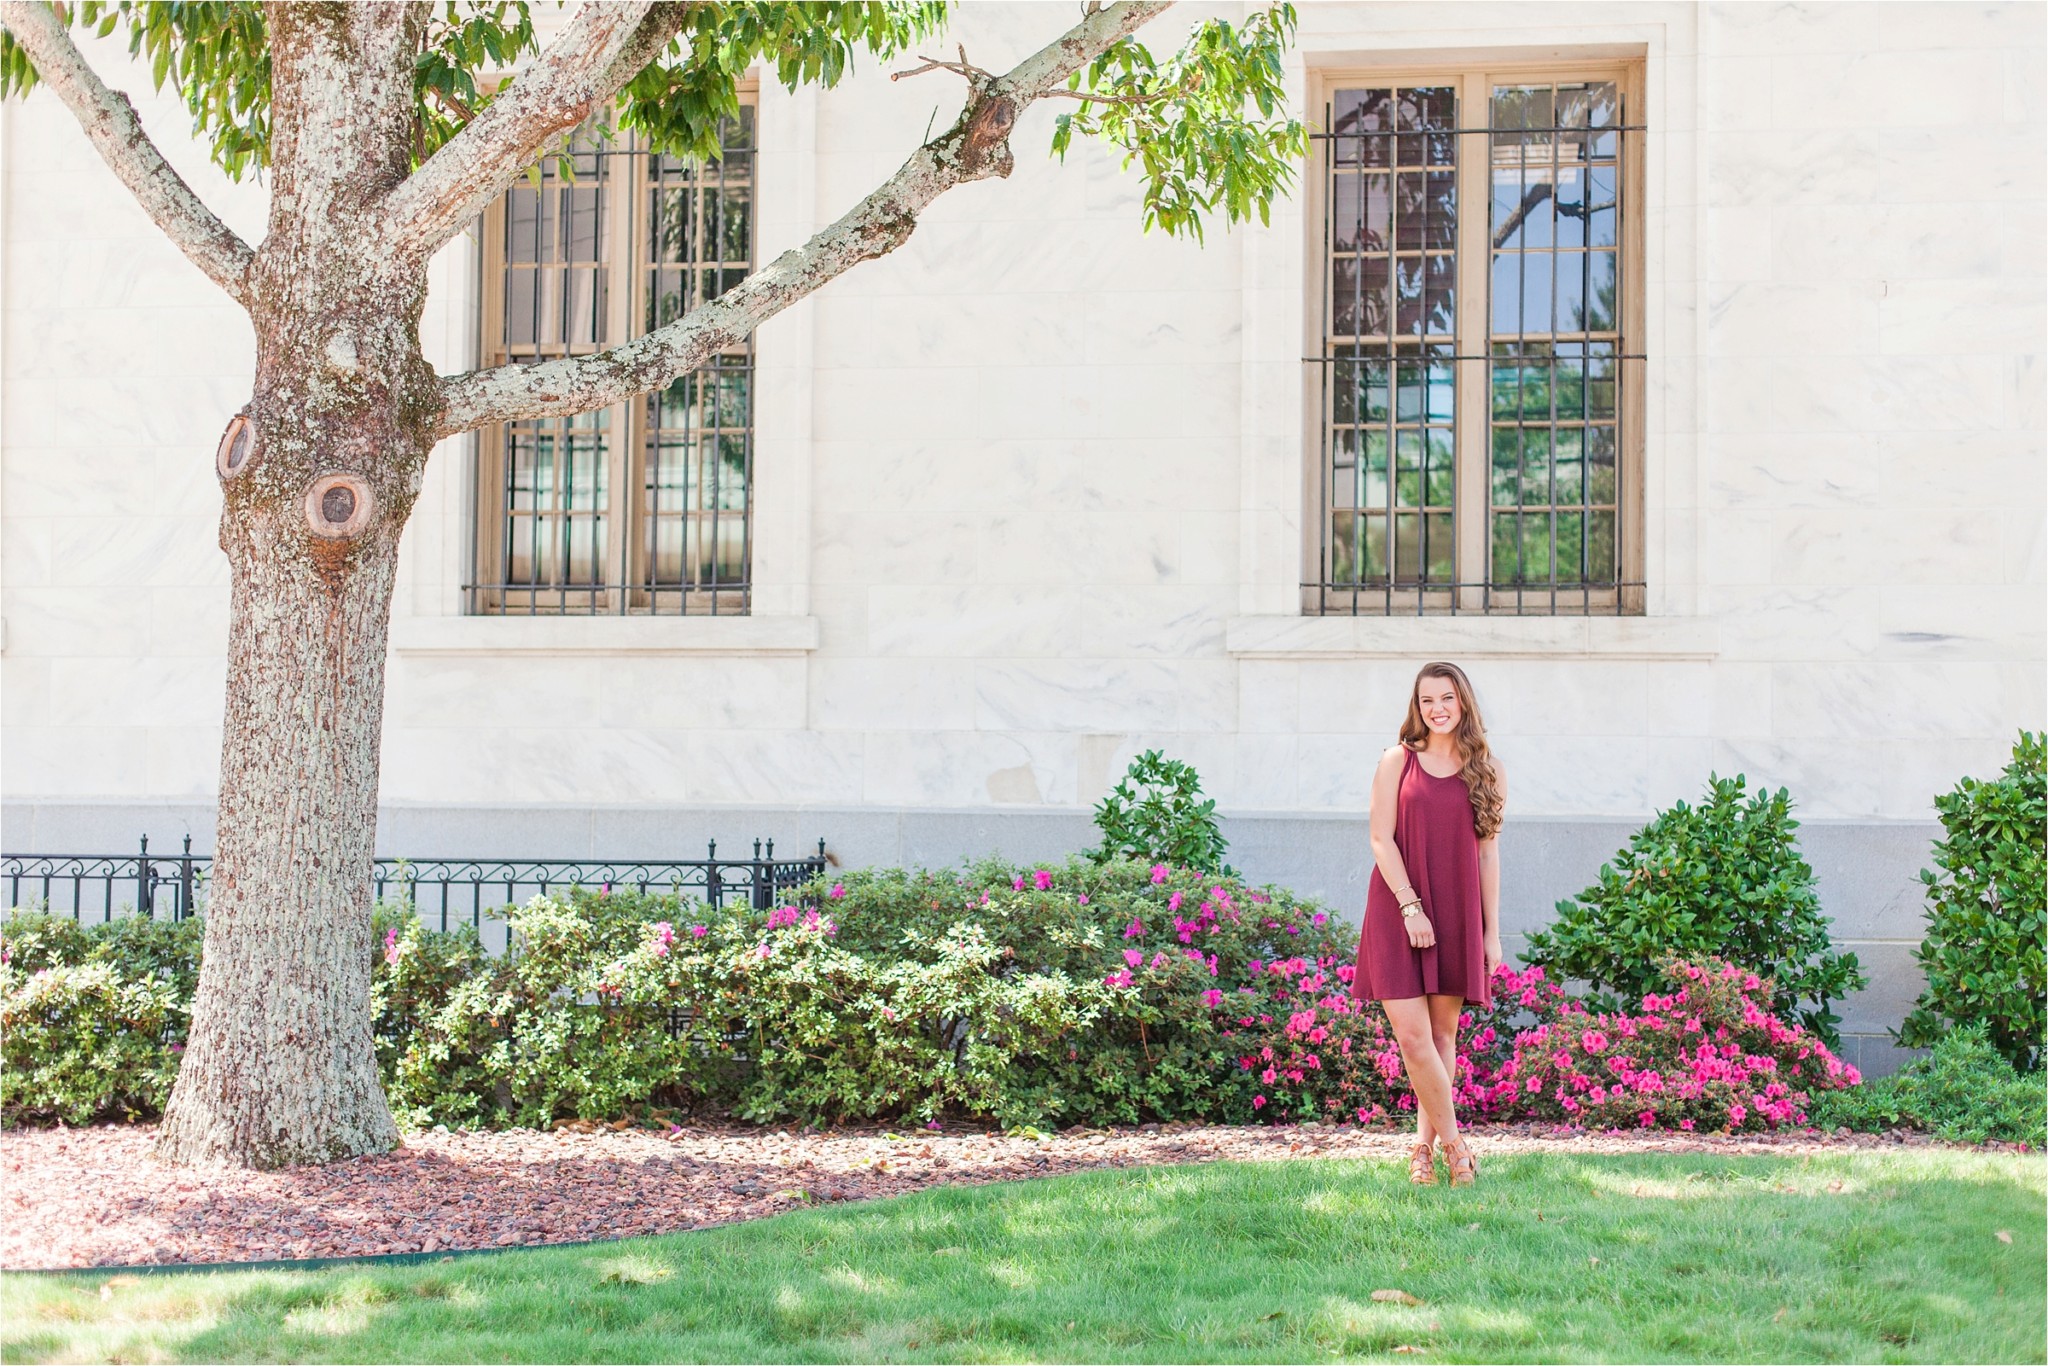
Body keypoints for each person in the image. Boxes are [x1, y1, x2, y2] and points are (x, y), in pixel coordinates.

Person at [1350, 661, 1505, 1187]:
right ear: (1416, 708)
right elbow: (1379, 839)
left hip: (1458, 910)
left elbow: (1487, 856)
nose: (1436, 709)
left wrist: (1491, 932)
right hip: (1399, 909)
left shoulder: (1487, 770)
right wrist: (1410, 906)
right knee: (1414, 1040)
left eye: (1446, 699)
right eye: (1426, 701)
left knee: (1442, 1038)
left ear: (1463, 703)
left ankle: (1422, 1149)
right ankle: (1458, 1149)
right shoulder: (1398, 761)